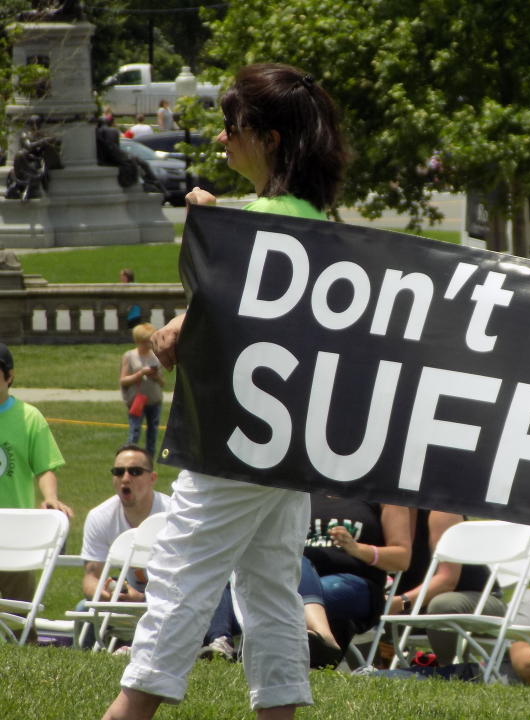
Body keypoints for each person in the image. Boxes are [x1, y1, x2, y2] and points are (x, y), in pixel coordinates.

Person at [101, 63, 348, 720]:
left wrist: (211, 244)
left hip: (235, 440)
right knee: (271, 594)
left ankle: (129, 709)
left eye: (231, 127)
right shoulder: (315, 222)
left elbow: (182, 341)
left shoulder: (251, 228)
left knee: (181, 576)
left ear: (266, 138)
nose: (219, 141)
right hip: (291, 444)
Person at [79, 444, 239, 658]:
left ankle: (217, 644)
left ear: (152, 478)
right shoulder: (100, 517)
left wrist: (144, 597)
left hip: (175, 594)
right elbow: (91, 577)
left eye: (135, 472)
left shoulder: (174, 513)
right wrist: (106, 593)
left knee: (214, 588)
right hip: (129, 595)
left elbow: (191, 575)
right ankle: (86, 658)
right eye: (118, 472)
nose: (125, 478)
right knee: (83, 608)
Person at [0, 342, 73, 613]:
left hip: (15, 536)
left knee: (19, 614)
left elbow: (44, 468)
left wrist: (50, 498)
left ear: (10, 376)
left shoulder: (29, 418)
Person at [299, 492, 411, 668]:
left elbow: (402, 558)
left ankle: (320, 638)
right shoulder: (305, 492)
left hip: (356, 586)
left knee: (327, 591)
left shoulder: (384, 496)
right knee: (296, 562)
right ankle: (320, 640)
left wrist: (357, 548)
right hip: (301, 578)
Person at [386, 509, 507, 666]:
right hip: (418, 603)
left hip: (476, 599)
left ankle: (452, 672)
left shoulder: (440, 511)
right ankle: (368, 669)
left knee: (443, 604)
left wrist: (401, 602)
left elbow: (447, 580)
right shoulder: (384, 509)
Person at [119, 323, 164, 458]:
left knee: (153, 433)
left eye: (150, 342)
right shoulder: (129, 356)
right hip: (137, 401)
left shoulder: (155, 356)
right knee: (135, 432)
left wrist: (154, 376)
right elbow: (123, 380)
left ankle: (149, 460)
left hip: (154, 400)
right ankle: (129, 458)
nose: (148, 345)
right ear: (137, 341)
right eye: (145, 342)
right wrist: (140, 373)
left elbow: (162, 382)